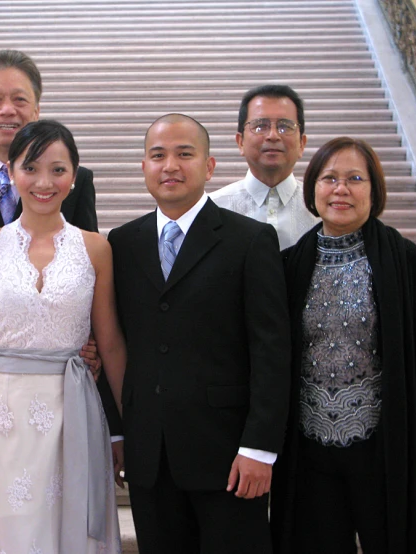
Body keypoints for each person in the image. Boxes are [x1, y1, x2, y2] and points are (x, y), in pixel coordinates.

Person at [107, 114, 291, 554]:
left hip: (228, 455)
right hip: (151, 454)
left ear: (208, 167)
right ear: (144, 167)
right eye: (158, 155)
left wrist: (260, 448)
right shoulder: (122, 243)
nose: (170, 165)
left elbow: (272, 350)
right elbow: (115, 343)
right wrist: (118, 433)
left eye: (184, 154)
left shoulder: (250, 241)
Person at [272, 137, 416, 554]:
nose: (341, 189)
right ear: (313, 188)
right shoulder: (288, 265)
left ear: (374, 190)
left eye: (355, 178)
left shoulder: (405, 261)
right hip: (308, 452)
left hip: (384, 449)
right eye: (329, 178)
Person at [0, 120, 125, 554]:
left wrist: (127, 427)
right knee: (7, 531)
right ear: (11, 172)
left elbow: (109, 344)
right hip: (1, 417)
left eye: (58, 169)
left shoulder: (95, 248)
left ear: (74, 176)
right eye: (31, 168)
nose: (44, 182)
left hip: (74, 411)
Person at [0, 49, 97, 257]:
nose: (7, 110)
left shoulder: (73, 181)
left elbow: (87, 261)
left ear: (36, 112)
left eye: (20, 100)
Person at [210, 85, 319, 249]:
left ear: (302, 144)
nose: (273, 135)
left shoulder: (322, 210)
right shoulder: (212, 210)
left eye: (285, 126)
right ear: (240, 142)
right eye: (260, 126)